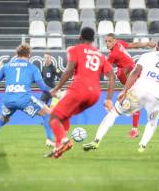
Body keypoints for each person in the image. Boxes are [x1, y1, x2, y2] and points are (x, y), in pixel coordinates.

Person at [83, 39, 159, 152]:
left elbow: (135, 72)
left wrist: (124, 90)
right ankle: (142, 146)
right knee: (152, 123)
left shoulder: (147, 55)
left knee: (114, 113)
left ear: (156, 47)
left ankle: (96, 141)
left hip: (139, 90)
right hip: (157, 97)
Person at [46, 27, 115, 159]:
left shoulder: (74, 49)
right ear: (93, 40)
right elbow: (112, 75)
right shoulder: (100, 55)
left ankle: (64, 142)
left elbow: (69, 70)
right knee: (63, 117)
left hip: (79, 90)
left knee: (53, 117)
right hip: (95, 95)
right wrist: (109, 99)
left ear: (80, 37)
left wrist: (56, 88)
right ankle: (57, 149)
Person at [0, 43, 53, 148]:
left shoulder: (6, 66)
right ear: (29, 55)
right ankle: (50, 140)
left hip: (9, 100)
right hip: (24, 99)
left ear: (17, 54)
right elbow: (43, 87)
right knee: (47, 113)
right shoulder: (32, 68)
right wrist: (56, 92)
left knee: (3, 119)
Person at [105, 33, 156, 139]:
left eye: (109, 41)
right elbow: (134, 44)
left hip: (129, 72)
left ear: (114, 41)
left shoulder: (114, 54)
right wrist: (147, 43)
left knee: (134, 98)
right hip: (130, 70)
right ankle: (134, 126)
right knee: (132, 98)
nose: (107, 43)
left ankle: (135, 129)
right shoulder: (119, 43)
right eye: (106, 41)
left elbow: (105, 68)